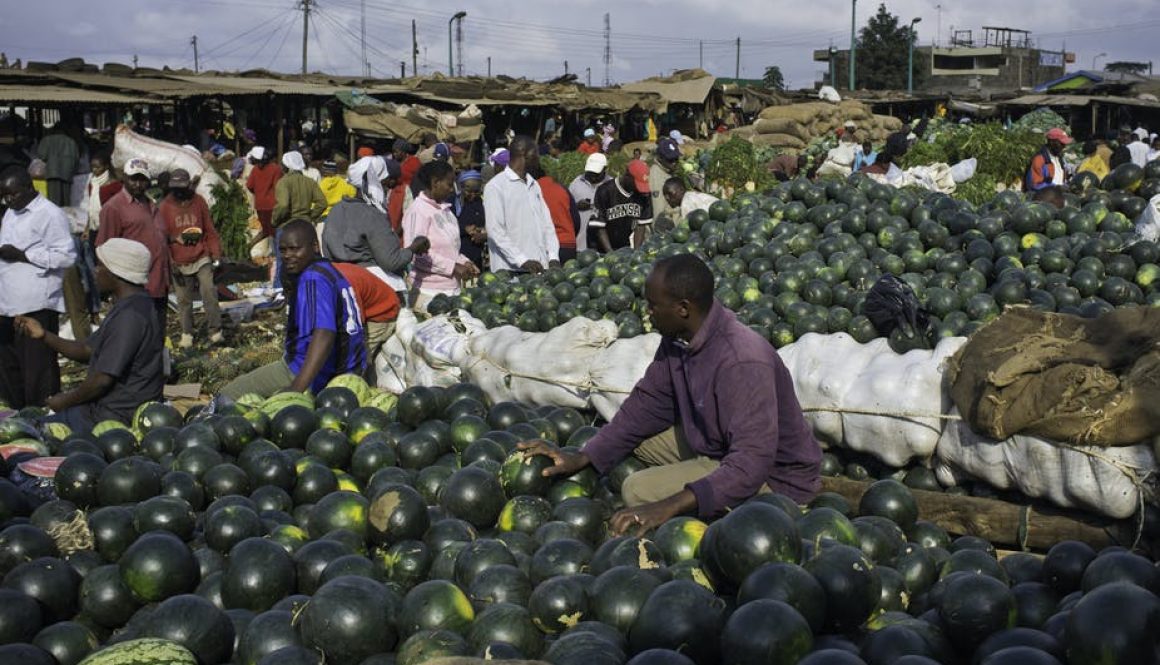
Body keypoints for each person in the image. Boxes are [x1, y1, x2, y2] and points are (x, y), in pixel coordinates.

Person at [519, 254, 821, 530]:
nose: (646, 312)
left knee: (636, 489)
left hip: (775, 477)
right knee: (634, 441)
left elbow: (751, 463)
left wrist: (667, 506)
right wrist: (585, 456)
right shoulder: (678, 340)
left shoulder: (741, 360)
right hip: (717, 441)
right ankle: (699, 479)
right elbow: (645, 406)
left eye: (653, 305)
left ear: (683, 309)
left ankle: (710, 502)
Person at [17, 238, 163, 429]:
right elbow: (87, 349)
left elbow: (101, 381)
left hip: (113, 416)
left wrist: (65, 401)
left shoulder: (130, 316)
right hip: (106, 409)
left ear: (115, 273)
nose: (95, 270)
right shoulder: (133, 305)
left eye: (101, 265)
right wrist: (43, 335)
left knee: (29, 429)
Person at [220, 219, 366, 399]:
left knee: (227, 396)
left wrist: (297, 387)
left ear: (314, 246)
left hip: (313, 372)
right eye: (283, 250)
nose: (288, 255)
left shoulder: (313, 278)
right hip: (347, 370)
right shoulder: (328, 270)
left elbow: (324, 334)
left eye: (295, 249)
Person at [0, 166, 77, 409]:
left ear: (29, 188)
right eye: (5, 196)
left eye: (13, 194)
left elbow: (66, 256)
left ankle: (43, 418)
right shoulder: (11, 212)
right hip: (8, 302)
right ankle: (17, 415)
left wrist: (25, 255)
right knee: (10, 367)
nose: (9, 200)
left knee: (38, 371)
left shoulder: (49, 214)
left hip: (36, 304)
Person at [323, 155, 429, 295]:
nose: (387, 190)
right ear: (375, 183)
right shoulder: (372, 214)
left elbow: (327, 251)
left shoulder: (336, 209)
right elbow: (391, 262)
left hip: (339, 279)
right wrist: (414, 248)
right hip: (368, 284)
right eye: (384, 184)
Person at [97, 158, 170, 329]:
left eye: (142, 180)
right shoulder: (113, 207)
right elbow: (104, 249)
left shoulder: (150, 203)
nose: (138, 184)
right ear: (124, 178)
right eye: (134, 179)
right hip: (136, 287)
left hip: (159, 281)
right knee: (140, 333)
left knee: (157, 332)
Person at [159, 168, 224, 349]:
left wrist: (216, 255)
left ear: (189, 185)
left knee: (209, 291)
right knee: (183, 299)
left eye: (182, 188)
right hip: (178, 260)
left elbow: (210, 230)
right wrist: (170, 261)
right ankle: (187, 332)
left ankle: (215, 331)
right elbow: (161, 238)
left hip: (201, 256)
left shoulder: (198, 202)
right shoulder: (165, 207)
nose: (179, 192)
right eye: (175, 189)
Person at [402, 161, 479, 311]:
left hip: (452, 289)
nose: (452, 190)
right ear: (435, 183)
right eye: (449, 185)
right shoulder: (419, 211)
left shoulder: (446, 210)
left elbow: (450, 249)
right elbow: (415, 255)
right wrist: (453, 267)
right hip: (428, 292)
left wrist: (464, 261)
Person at [482, 135, 560, 274]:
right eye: (536, 153)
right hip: (511, 272)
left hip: (539, 268)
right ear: (525, 154)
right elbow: (495, 231)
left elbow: (547, 224)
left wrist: (553, 256)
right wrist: (522, 260)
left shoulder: (533, 184)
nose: (539, 158)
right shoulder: (496, 186)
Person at [332, 261, 400, 372]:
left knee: (356, 358)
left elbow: (354, 329)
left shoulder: (344, 286)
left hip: (380, 314)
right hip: (362, 308)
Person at [591, 159, 651, 253]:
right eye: (637, 184)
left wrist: (636, 253)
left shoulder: (643, 194)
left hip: (624, 246)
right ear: (627, 176)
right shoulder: (605, 191)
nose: (638, 188)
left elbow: (641, 225)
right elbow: (599, 227)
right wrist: (610, 253)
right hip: (601, 248)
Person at [532, 165, 580, 264]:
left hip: (545, 247)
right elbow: (576, 220)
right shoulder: (562, 189)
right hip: (567, 245)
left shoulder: (531, 192)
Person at [272, 150, 327, 229]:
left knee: (277, 239)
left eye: (282, 164)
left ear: (287, 166)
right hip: (306, 223)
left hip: (288, 223)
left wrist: (275, 220)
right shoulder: (310, 182)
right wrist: (310, 216)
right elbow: (323, 203)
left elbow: (283, 205)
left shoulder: (283, 182)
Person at [569, 153, 611, 253]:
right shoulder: (576, 184)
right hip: (581, 246)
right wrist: (576, 206)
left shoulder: (611, 185)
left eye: (596, 173)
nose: (592, 176)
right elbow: (566, 209)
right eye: (590, 172)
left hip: (606, 247)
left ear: (605, 169)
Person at [245, 146, 281, 251]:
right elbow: (278, 187)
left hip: (260, 206)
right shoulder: (276, 169)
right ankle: (278, 257)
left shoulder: (255, 170)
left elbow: (249, 185)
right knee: (275, 232)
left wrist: (259, 193)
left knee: (266, 231)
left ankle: (249, 247)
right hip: (273, 206)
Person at [35, 123, 78, 207]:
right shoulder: (71, 141)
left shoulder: (47, 140)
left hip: (52, 173)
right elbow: (76, 158)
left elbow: (41, 155)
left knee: (53, 202)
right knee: (66, 202)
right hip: (67, 175)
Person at [452, 170, 486, 270]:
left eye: (476, 192)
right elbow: (445, 226)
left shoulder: (481, 202)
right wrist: (464, 228)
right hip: (459, 252)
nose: (473, 195)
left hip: (478, 253)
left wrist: (482, 231)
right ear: (461, 188)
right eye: (469, 191)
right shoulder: (452, 203)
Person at [648, 138, 682, 230]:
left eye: (676, 159)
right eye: (670, 160)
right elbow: (658, 210)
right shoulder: (657, 177)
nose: (674, 163)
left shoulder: (667, 171)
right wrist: (661, 235)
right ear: (660, 158)